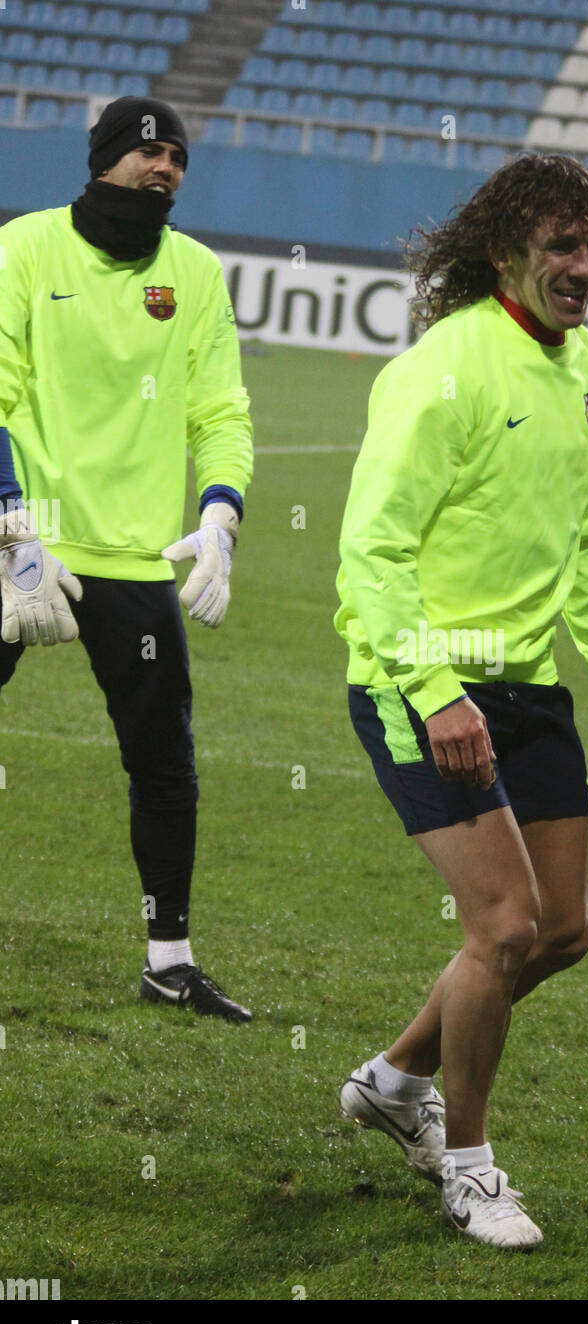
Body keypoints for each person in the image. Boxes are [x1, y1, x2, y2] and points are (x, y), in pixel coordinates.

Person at [334, 153, 588, 1248]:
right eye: (563, 245)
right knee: (504, 926)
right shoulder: (442, 368)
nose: (585, 265)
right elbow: (371, 550)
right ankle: (467, 1165)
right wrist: (432, 691)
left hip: (526, 688)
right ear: (506, 251)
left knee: (562, 932)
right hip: (415, 680)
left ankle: (391, 1078)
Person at [0, 97, 254, 1021]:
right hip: (23, 541)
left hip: (137, 560)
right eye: (149, 153)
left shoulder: (194, 272)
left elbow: (220, 407)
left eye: (178, 158)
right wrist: (9, 525)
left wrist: (221, 512)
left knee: (164, 764)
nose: (166, 170)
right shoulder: (24, 247)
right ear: (107, 158)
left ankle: (169, 960)